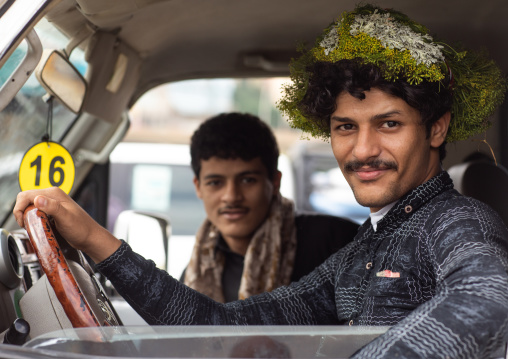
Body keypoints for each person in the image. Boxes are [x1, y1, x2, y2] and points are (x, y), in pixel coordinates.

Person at [13, 5, 508, 358]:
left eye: (390, 124)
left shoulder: (457, 222)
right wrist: (93, 238)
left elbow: (490, 297)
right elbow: (219, 325)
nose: (362, 151)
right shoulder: (368, 245)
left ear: (437, 128)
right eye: (345, 127)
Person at [181, 112, 359, 302]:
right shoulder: (195, 272)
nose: (231, 197)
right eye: (215, 183)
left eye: (247, 180)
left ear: (275, 182)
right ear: (198, 187)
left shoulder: (335, 242)